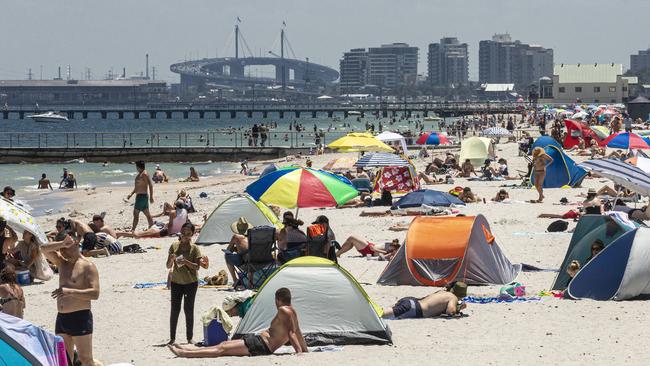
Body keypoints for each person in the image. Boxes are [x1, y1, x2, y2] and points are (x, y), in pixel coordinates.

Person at [168, 287, 308, 358]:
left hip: (261, 346)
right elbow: (298, 332)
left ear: (278, 299)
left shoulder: (284, 310)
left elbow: (291, 334)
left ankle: (186, 354)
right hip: (258, 340)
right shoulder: (293, 313)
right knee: (223, 345)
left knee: (222, 350)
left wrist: (299, 353)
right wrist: (305, 350)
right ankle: (187, 350)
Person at [42, 232, 100, 366]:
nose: (62, 251)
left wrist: (70, 291)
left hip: (80, 317)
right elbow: (43, 249)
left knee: (86, 360)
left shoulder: (88, 266)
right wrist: (62, 243)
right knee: (64, 361)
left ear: (76, 243)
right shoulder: (62, 263)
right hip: (62, 318)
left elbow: (95, 293)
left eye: (66, 247)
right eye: (61, 248)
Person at [166, 223, 203, 345]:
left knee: (188, 309)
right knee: (174, 310)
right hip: (176, 282)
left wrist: (185, 261)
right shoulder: (174, 246)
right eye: (183, 233)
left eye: (188, 233)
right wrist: (171, 259)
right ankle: (172, 338)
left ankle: (189, 337)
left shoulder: (195, 249)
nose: (185, 235)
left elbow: (197, 267)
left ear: (192, 234)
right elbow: (168, 266)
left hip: (191, 283)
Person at [117, 200, 187, 239]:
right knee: (143, 233)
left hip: (162, 229)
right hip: (165, 228)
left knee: (140, 234)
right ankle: (121, 233)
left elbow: (171, 225)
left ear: (175, 206)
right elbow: (186, 223)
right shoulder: (185, 211)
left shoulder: (172, 212)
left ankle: (121, 233)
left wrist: (168, 233)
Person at [382, 290, 466, 319]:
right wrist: (458, 308)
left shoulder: (443, 292)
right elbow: (450, 312)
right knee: (379, 314)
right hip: (414, 309)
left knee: (382, 311)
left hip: (411, 301)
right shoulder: (453, 297)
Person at [127, 160, 154, 232]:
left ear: (138, 167)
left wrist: (151, 197)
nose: (136, 168)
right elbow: (137, 187)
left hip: (142, 197)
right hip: (140, 196)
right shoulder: (140, 174)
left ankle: (133, 230)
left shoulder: (144, 174)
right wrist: (131, 194)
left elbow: (150, 185)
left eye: (136, 166)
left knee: (136, 213)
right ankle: (151, 227)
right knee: (147, 213)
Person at [224, 217, 251, 286]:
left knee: (227, 256)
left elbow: (228, 250)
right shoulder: (252, 235)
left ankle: (235, 280)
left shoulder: (236, 236)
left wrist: (234, 248)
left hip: (246, 263)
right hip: (260, 261)